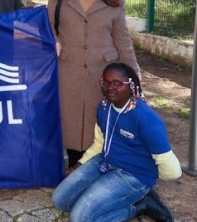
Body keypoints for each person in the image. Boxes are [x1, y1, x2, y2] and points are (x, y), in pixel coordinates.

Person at [47, 0, 140, 168]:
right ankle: (73, 163)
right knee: (69, 119)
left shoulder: (115, 0)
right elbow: (48, 27)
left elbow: (122, 40)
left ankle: (92, 166)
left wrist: (134, 74)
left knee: (95, 119)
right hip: (68, 68)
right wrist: (55, 41)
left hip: (103, 72)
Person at [52, 62, 181, 222]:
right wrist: (77, 166)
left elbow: (174, 171)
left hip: (133, 175)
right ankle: (112, 200)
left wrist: (149, 177)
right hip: (105, 162)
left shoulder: (146, 119)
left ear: (131, 86)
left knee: (79, 218)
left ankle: (139, 205)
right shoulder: (104, 107)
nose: (109, 88)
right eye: (105, 82)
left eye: (117, 83)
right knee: (60, 200)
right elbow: (100, 144)